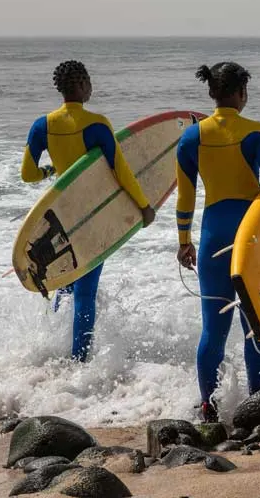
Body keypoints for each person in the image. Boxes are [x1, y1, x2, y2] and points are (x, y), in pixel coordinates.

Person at [175, 61, 260, 423]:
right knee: (257, 322)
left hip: (213, 234)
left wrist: (184, 241)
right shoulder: (257, 133)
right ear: (241, 93)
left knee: (213, 328)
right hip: (251, 238)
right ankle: (257, 402)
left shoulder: (190, 138)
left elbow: (185, 198)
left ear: (213, 93)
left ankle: (207, 406)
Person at [21, 60, 155, 362]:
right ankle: (79, 361)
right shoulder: (96, 124)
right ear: (82, 85)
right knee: (85, 293)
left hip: (58, 219)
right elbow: (120, 171)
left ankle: (55, 348)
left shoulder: (42, 125)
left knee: (65, 286)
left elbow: (28, 174)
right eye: (89, 82)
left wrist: (51, 171)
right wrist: (144, 207)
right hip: (91, 218)